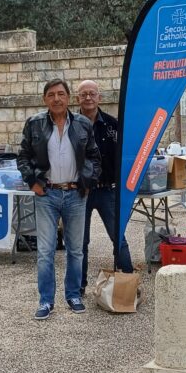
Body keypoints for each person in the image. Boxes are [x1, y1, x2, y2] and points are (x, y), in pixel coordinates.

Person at [18, 78, 101, 319]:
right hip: (47, 193)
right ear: (45, 99)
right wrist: (33, 183)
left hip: (76, 194)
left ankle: (73, 295)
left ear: (68, 98)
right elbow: (22, 156)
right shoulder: (34, 124)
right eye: (51, 94)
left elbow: (94, 158)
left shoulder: (83, 124)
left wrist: (87, 183)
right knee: (45, 251)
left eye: (61, 94)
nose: (56, 99)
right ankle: (46, 301)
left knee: (76, 250)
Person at [76, 79, 133, 294]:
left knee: (119, 238)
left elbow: (125, 156)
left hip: (109, 190)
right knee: (79, 243)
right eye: (83, 94)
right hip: (81, 192)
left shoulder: (113, 125)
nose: (88, 98)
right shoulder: (70, 124)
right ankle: (78, 288)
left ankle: (127, 283)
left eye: (92, 93)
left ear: (100, 97)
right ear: (77, 99)